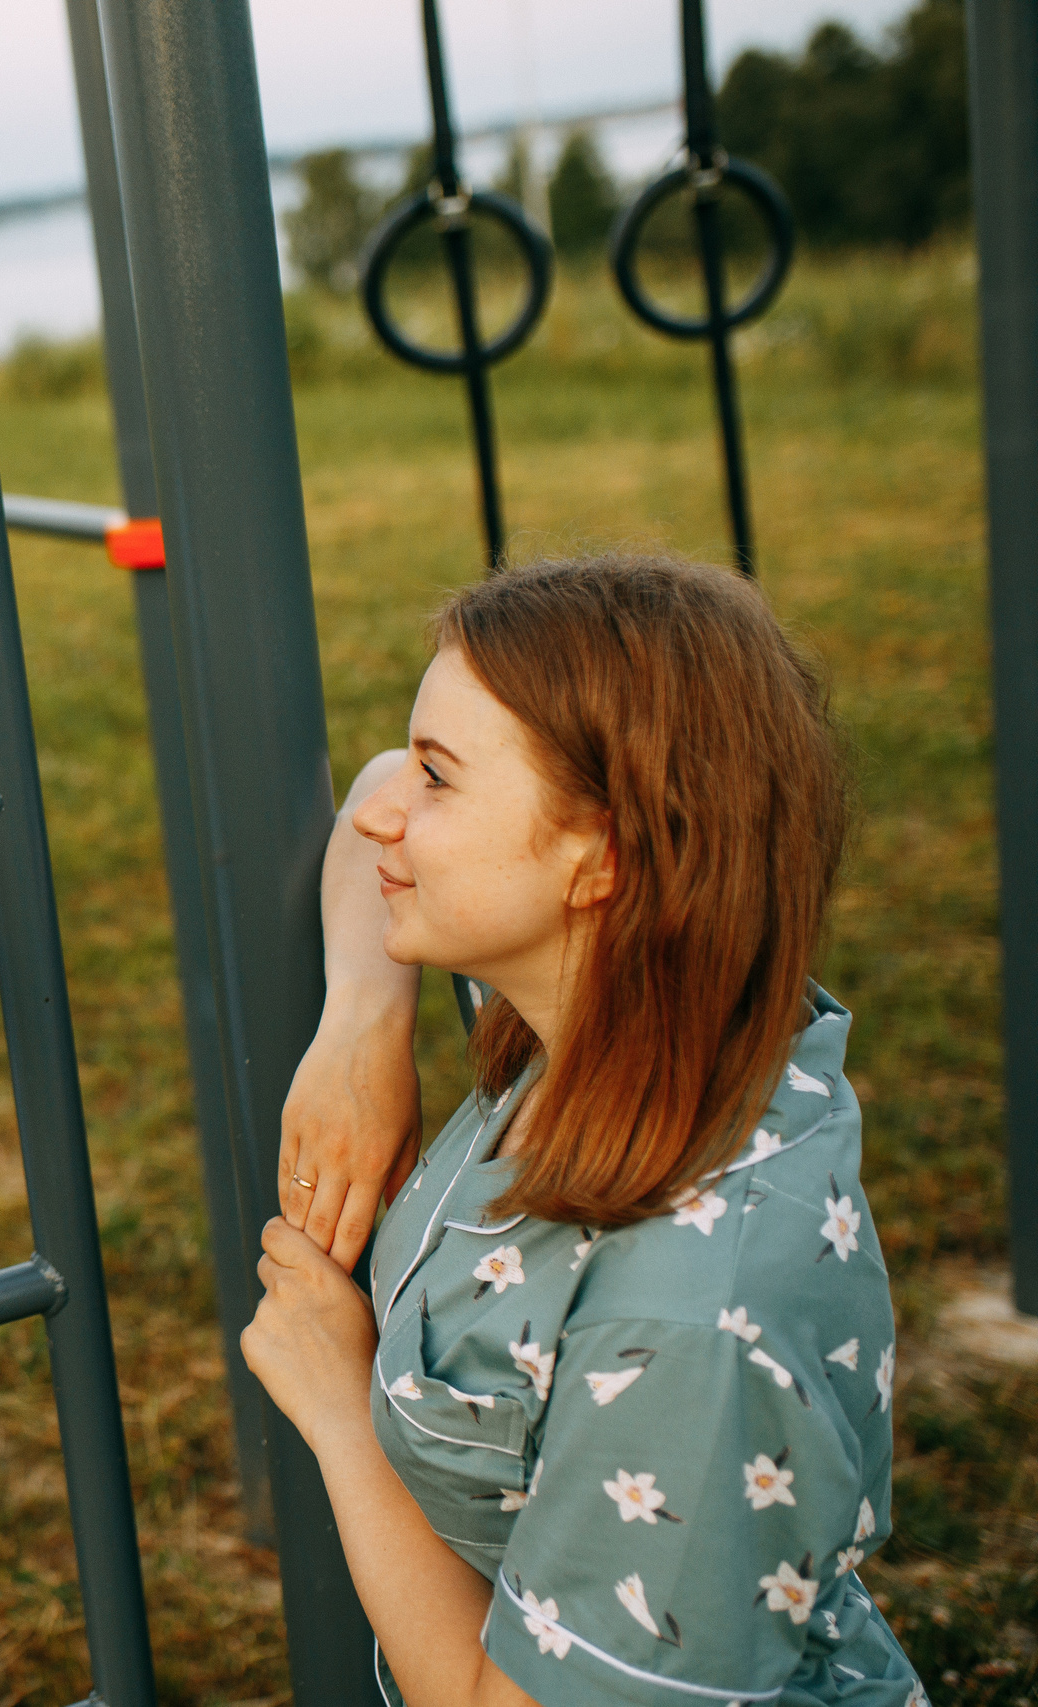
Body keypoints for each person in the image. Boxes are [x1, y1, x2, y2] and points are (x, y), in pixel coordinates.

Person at [248, 556, 926, 1705]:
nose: (377, 812)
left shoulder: (687, 1327)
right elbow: (372, 793)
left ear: (601, 858)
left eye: (438, 779)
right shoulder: (625, 996)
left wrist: (337, 1403)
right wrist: (361, 1020)